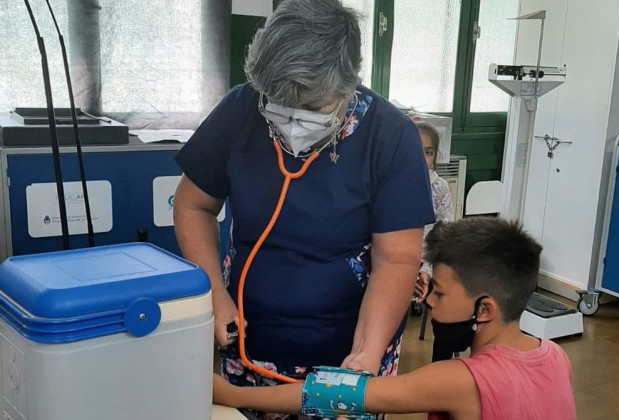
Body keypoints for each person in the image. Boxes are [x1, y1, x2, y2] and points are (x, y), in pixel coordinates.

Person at [173, 0, 435, 418]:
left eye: (312, 107)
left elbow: (397, 258)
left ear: (349, 83)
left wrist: (366, 354)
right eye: (276, 101)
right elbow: (193, 205)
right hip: (246, 344)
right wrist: (215, 295)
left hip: (345, 358)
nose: (292, 119)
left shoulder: (390, 137)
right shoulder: (241, 110)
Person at [212, 217, 576, 420]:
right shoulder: (555, 357)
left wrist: (230, 393)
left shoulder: (461, 380)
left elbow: (330, 394)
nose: (428, 300)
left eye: (441, 293)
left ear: (484, 310)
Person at [411, 122, 454, 316]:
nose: (423, 158)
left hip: (427, 254)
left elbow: (444, 228)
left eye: (428, 153)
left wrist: (427, 267)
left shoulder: (440, 186)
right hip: (397, 255)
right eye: (416, 151)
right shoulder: (392, 182)